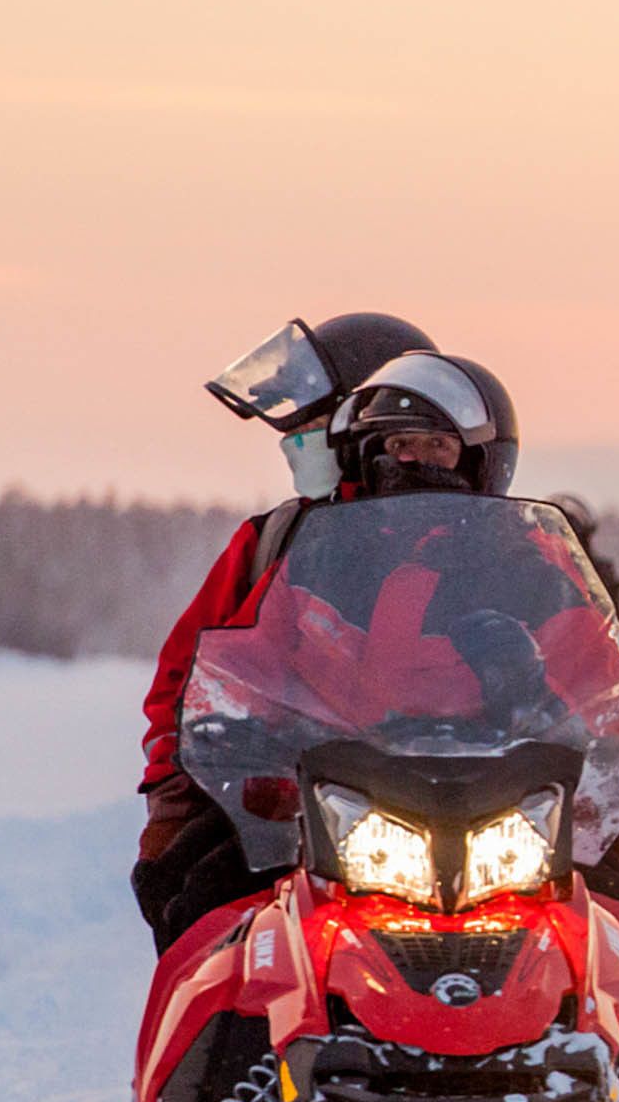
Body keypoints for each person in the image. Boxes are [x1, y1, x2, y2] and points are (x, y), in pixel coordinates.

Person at [132, 315, 438, 950]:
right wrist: (177, 789)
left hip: (478, 802)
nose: (297, 445)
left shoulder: (490, 545)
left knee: (614, 904)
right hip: (293, 810)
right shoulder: (272, 540)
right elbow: (186, 677)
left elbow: (579, 677)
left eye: (312, 425)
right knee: (193, 906)